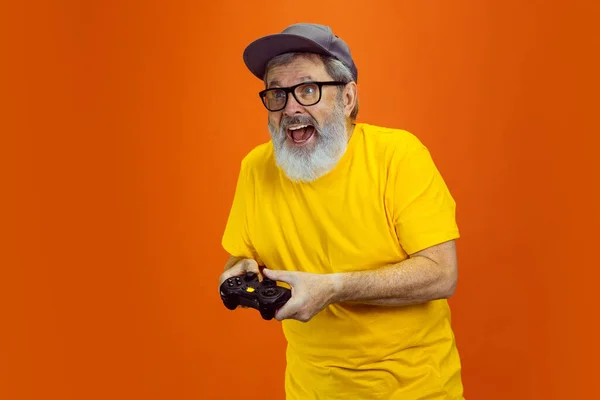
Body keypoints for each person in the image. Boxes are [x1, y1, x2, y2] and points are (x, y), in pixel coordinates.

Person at [218, 22, 465, 400]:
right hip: (310, 390)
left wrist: (334, 288)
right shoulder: (257, 168)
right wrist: (238, 271)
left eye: (308, 89)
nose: (291, 108)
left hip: (413, 390)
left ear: (347, 98)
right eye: (277, 94)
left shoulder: (398, 156)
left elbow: (441, 274)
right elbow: (240, 253)